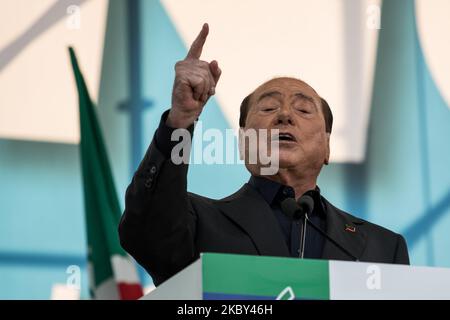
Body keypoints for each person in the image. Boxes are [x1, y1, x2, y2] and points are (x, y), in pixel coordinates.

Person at [118, 23, 409, 286]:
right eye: (268, 108)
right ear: (244, 142)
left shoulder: (383, 247)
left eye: (304, 110)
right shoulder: (196, 221)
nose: (284, 115)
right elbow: (145, 230)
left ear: (327, 146)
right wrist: (181, 120)